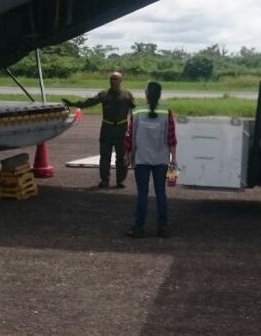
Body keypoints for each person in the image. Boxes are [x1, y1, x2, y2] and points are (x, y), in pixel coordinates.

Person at [64, 72, 135, 188]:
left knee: (121, 156)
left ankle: (120, 181)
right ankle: (104, 180)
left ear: (120, 81)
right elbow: (89, 102)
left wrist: (133, 125)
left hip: (122, 129)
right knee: (105, 155)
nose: (113, 81)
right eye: (111, 79)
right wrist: (73, 104)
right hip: (107, 128)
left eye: (115, 79)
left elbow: (134, 110)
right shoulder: (103, 94)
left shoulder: (127, 95)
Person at [124, 81, 177, 238]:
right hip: (161, 159)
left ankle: (138, 226)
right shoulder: (166, 112)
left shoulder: (137, 111)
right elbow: (171, 137)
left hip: (141, 159)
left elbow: (129, 134)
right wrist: (174, 158)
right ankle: (162, 226)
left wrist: (127, 154)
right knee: (161, 193)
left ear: (146, 94)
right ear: (159, 95)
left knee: (142, 193)